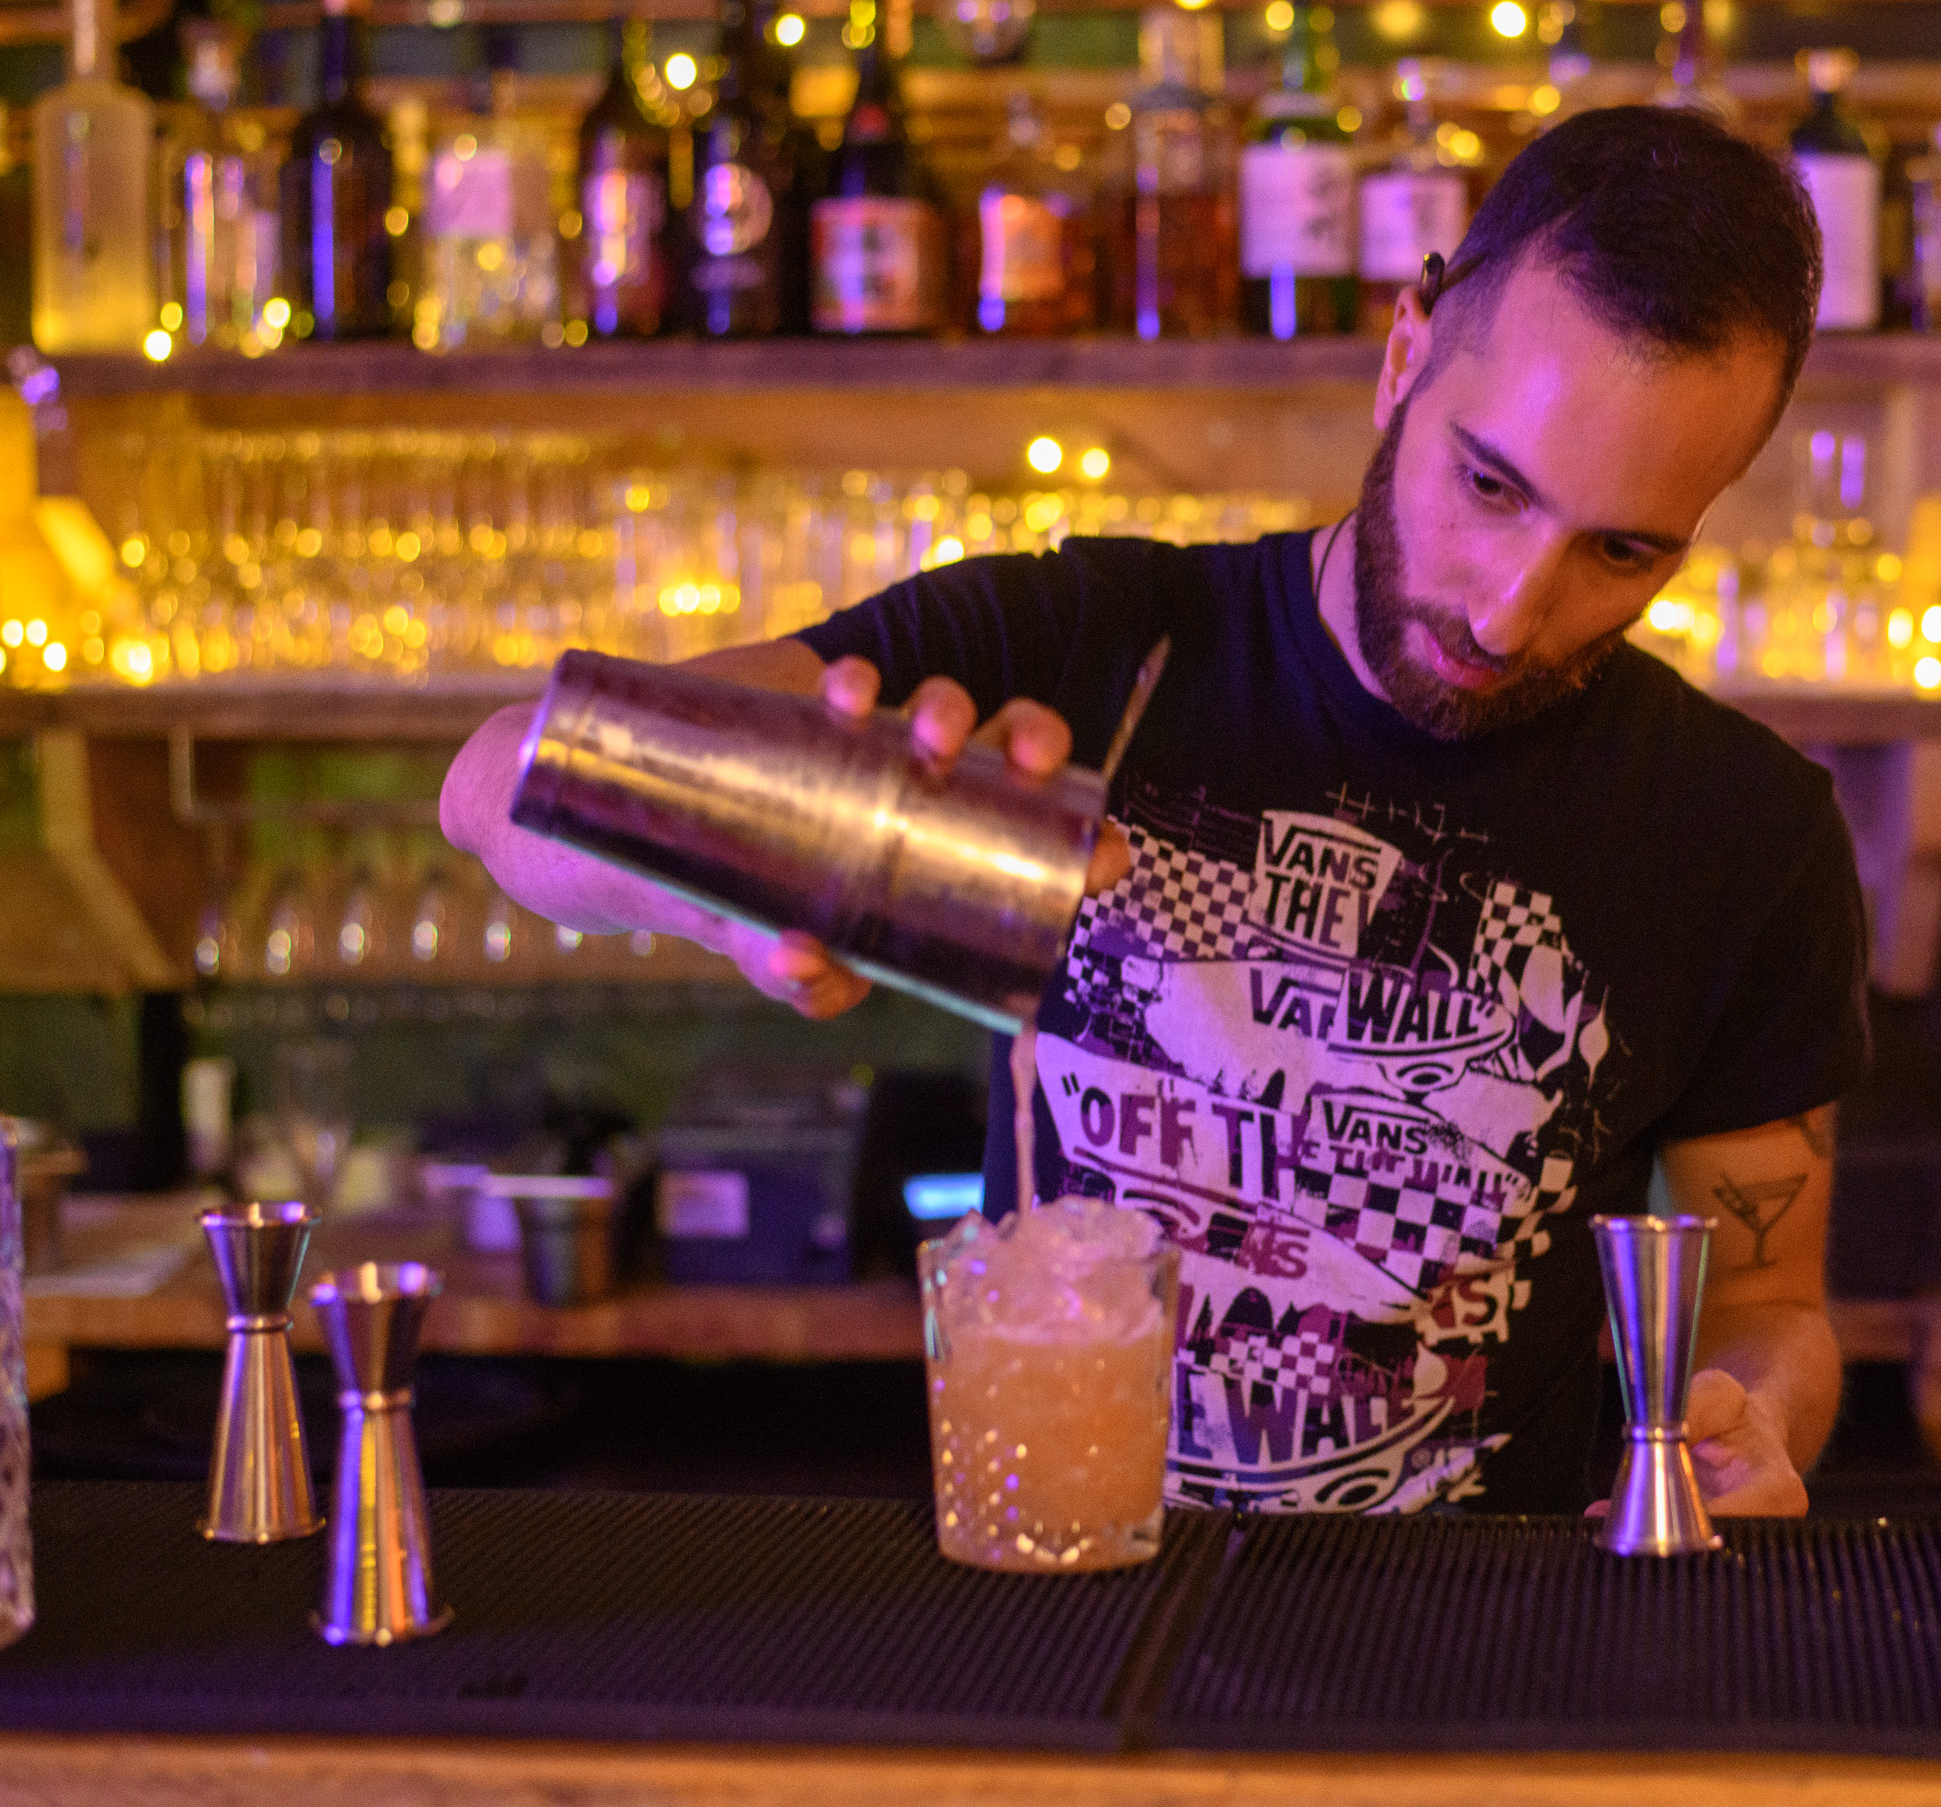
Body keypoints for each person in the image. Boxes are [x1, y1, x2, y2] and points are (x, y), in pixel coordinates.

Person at [443, 106, 1869, 1517]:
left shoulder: (1745, 833)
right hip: (1058, 1594)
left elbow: (1767, 1297)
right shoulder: (1079, 641)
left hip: (1479, 1652)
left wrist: (1749, 1416)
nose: (1512, 610)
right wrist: (739, 888)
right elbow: (504, 785)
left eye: (1623, 552)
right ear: (1403, 355)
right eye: (1486, 484)